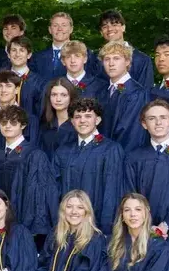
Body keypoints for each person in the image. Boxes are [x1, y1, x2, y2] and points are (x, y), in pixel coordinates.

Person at [52, 97, 124, 235]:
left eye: (88, 116)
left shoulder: (111, 149)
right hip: (68, 226)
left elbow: (111, 192)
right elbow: (55, 190)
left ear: (97, 120)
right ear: (72, 122)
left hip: (97, 227)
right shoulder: (63, 151)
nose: (82, 120)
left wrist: (105, 230)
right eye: (77, 117)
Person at [0, 106, 57, 241]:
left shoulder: (34, 155)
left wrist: (34, 229)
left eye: (13, 123)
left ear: (23, 125)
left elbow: (39, 197)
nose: (8, 126)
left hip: (24, 222)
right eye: (4, 123)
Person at [125, 99, 169, 230]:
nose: (158, 123)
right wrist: (143, 224)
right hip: (141, 229)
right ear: (144, 124)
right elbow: (130, 193)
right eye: (152, 118)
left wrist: (167, 224)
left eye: (163, 117)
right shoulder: (134, 157)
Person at [98, 40, 149, 152]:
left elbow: (130, 134)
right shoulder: (103, 92)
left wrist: (113, 158)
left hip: (123, 156)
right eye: (107, 59)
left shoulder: (136, 93)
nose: (111, 63)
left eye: (116, 58)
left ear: (127, 61)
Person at [38, 77, 79, 160]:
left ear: (71, 97)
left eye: (63, 95)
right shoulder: (44, 124)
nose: (58, 99)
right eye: (54, 95)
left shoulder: (78, 125)